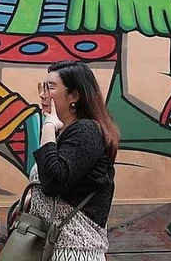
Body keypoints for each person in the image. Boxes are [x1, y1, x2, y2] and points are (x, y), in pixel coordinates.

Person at [29, 60, 119, 261]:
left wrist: (49, 127)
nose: (43, 94)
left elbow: (54, 181)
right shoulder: (64, 134)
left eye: (50, 87)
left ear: (74, 95)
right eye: (42, 87)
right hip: (53, 248)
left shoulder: (86, 131)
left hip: (75, 251)